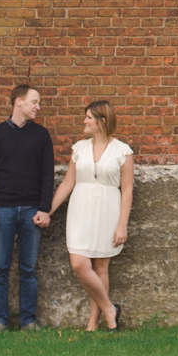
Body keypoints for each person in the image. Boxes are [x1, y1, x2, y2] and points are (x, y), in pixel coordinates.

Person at [47, 99, 134, 331]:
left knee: (101, 268)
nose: (84, 121)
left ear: (101, 121)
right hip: (81, 210)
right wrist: (48, 210)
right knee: (79, 264)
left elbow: (127, 190)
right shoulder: (79, 148)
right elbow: (67, 183)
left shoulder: (122, 151)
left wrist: (122, 225)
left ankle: (93, 324)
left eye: (88, 118)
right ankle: (109, 309)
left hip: (108, 210)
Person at [0, 84, 55, 332]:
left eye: (38, 102)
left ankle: (28, 320)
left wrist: (44, 208)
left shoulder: (41, 135)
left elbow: (47, 175)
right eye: (34, 101)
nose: (38, 106)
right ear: (18, 102)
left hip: (32, 210)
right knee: (0, 267)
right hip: (2, 210)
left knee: (28, 269)